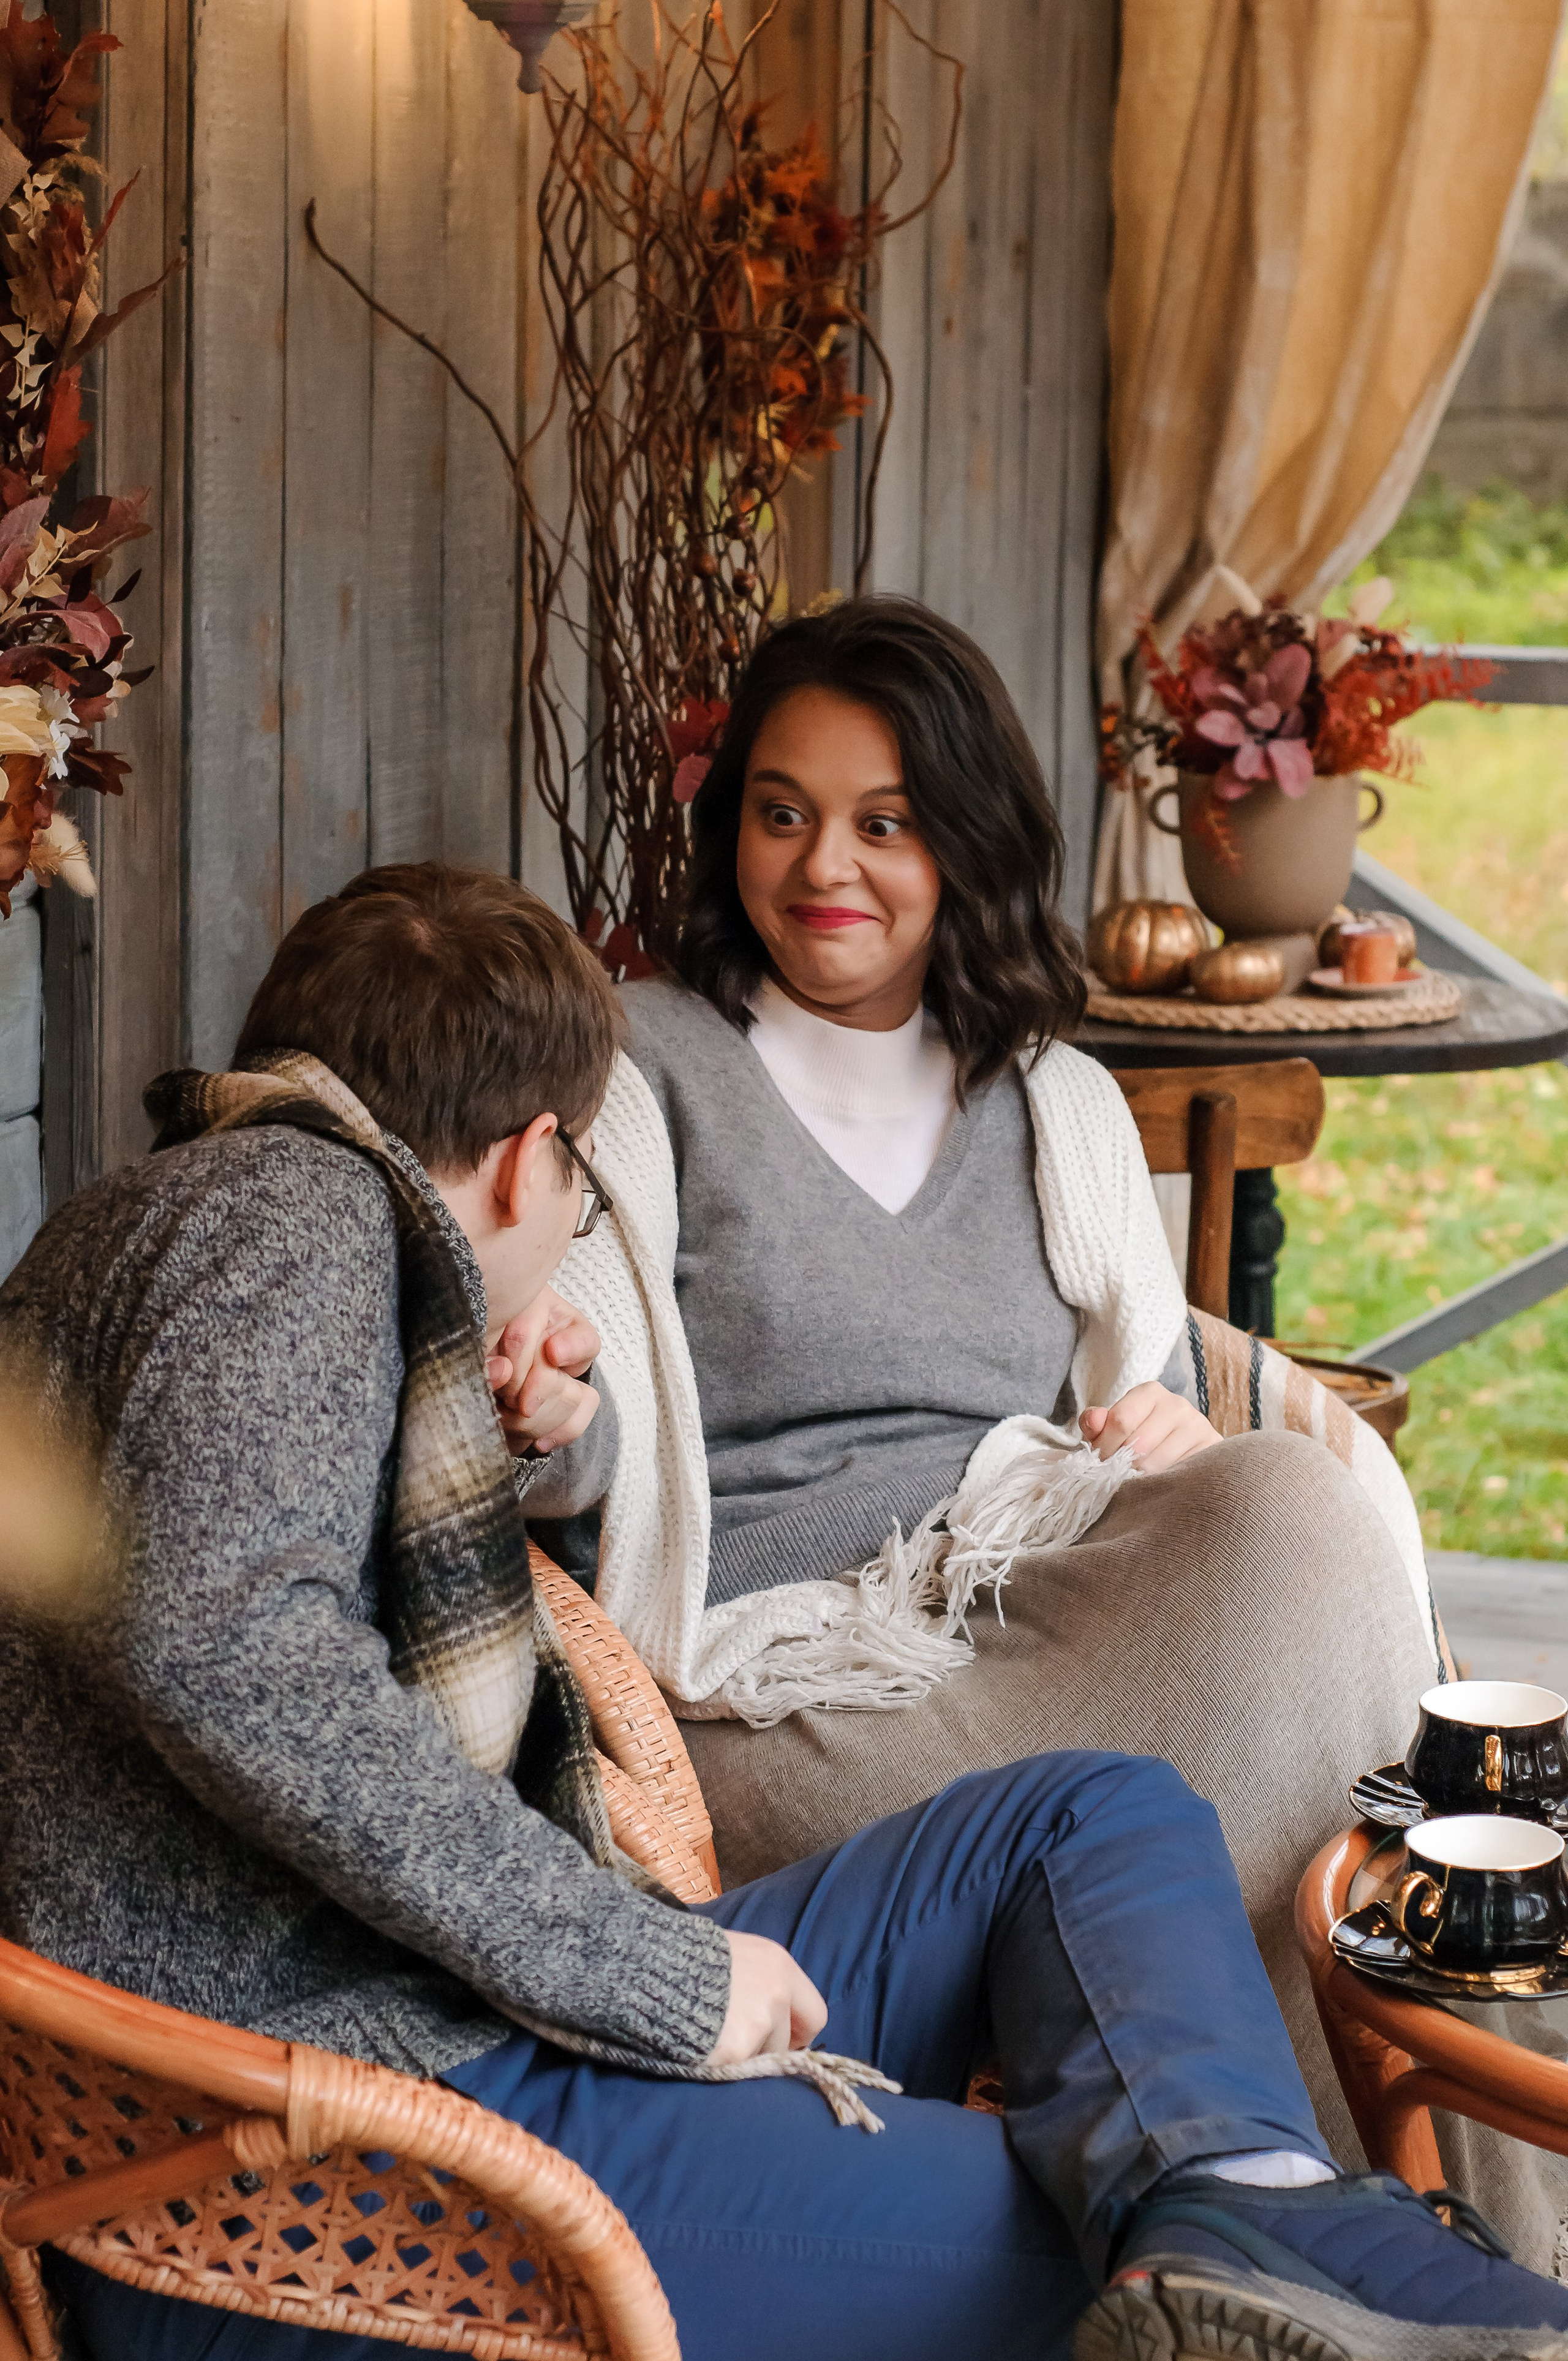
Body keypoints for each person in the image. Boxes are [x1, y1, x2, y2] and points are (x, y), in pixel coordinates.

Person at [3, 860, 1564, 2361]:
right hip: (317, 2159)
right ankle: (1319, 2263)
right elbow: (231, 1648)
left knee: (1096, 1820)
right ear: (526, 1158)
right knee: (1083, 2233)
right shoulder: (291, 1219)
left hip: (428, 2026)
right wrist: (652, 1974)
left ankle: (1254, 2218)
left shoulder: (203, 1224)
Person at [513, 596, 1510, 2222]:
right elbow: (593, 1430)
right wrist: (547, 1416)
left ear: (964, 842)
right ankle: (1346, 2213)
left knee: (1292, 1513)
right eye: (782, 814)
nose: (823, 868)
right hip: (791, 1697)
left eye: (883, 824)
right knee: (1234, 1749)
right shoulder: (646, 1072)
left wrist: (1182, 1446)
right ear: (731, 828)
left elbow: (1148, 1405)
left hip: (1037, 1608)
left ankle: (1370, 2194)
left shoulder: (1052, 1098)